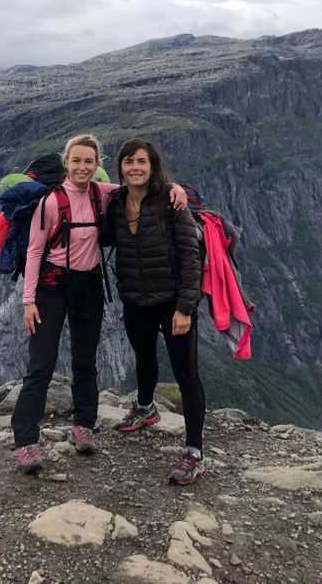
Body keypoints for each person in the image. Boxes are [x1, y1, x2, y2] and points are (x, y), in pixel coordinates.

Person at [12, 134, 185, 474]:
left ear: (97, 165)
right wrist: (28, 300)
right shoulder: (50, 202)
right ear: (66, 163)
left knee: (85, 359)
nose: (82, 167)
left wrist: (173, 187)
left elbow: (143, 187)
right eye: (76, 161)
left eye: (88, 162)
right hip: (53, 287)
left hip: (89, 285)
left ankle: (84, 425)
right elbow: (34, 250)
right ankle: (26, 441)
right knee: (41, 365)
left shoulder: (103, 194)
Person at [108, 137, 206, 486]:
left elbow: (190, 256)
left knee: (185, 373)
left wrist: (185, 307)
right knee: (144, 358)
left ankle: (194, 451)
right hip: (136, 300)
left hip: (172, 302)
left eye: (142, 162)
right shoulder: (115, 203)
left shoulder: (170, 202)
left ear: (153, 167)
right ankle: (146, 408)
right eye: (128, 161)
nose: (134, 167)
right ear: (119, 166)